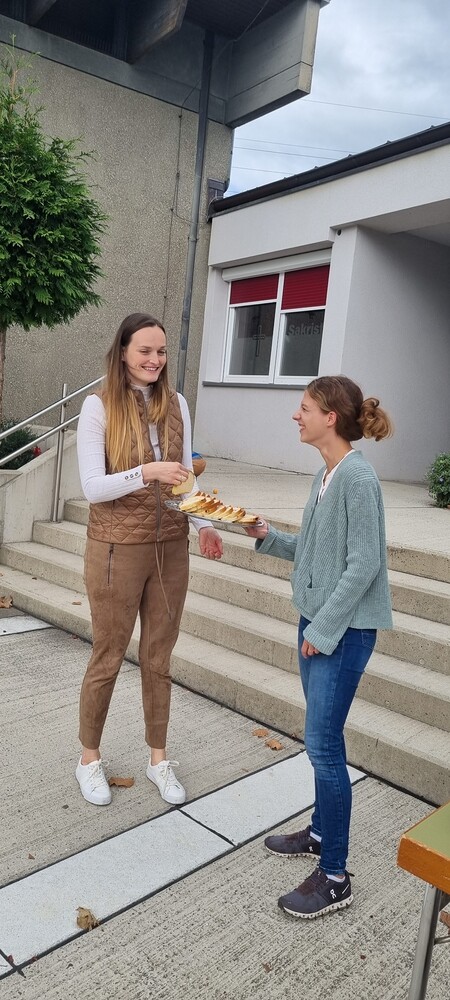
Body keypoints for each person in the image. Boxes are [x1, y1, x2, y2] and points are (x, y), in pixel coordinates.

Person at [245, 375, 393, 920]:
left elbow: (364, 564)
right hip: (319, 622)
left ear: (330, 417)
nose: (296, 415)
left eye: (304, 407)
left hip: (343, 632)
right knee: (322, 742)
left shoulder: (358, 477)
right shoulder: (326, 474)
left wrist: (322, 629)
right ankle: (319, 832)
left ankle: (334, 876)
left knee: (324, 747)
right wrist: (266, 535)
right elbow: (313, 548)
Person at [76, 312, 223, 808]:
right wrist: (147, 472)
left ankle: (158, 760)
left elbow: (186, 479)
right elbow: (93, 487)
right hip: (115, 550)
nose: (155, 360)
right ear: (122, 352)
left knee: (159, 658)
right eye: (145, 350)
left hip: (171, 548)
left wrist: (204, 525)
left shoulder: (177, 403)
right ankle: (89, 760)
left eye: (161, 351)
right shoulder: (97, 406)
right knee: (108, 655)